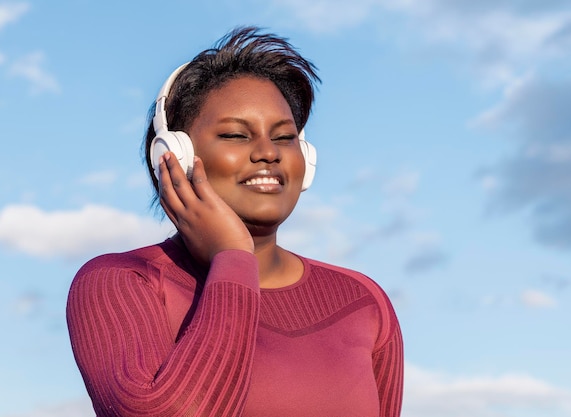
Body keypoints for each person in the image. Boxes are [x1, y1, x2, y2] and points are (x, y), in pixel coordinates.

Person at [66, 26, 403, 417]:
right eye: (235, 135)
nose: (267, 153)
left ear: (306, 160)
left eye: (284, 137)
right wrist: (233, 258)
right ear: (173, 154)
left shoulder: (362, 300)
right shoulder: (122, 281)